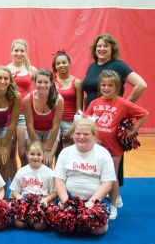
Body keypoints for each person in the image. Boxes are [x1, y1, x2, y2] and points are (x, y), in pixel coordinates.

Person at [82, 34, 147, 204]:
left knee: (112, 161)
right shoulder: (92, 66)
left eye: (105, 46)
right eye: (98, 46)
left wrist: (124, 107)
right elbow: (88, 92)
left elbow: (141, 84)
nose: (101, 49)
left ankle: (114, 197)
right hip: (93, 118)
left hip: (111, 119)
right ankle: (98, 194)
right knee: (95, 159)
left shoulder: (118, 65)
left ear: (113, 49)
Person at [85, 70, 148, 220]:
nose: (106, 88)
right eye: (103, 85)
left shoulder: (123, 103)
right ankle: (95, 201)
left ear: (117, 87)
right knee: (94, 175)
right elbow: (86, 119)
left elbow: (144, 113)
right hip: (95, 148)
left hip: (113, 149)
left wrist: (131, 131)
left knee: (111, 177)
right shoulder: (94, 102)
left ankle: (113, 206)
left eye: (110, 85)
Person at [54, 118, 116, 235]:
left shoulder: (103, 154)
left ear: (93, 135)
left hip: (94, 200)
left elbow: (107, 183)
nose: (81, 137)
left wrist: (91, 202)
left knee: (98, 230)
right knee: (61, 226)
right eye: (77, 133)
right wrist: (66, 201)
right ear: (73, 134)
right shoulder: (65, 152)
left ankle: (85, 222)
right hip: (70, 199)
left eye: (86, 134)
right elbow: (59, 180)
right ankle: (80, 222)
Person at [10, 141, 57, 230]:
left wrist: (46, 199)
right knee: (19, 225)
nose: (35, 157)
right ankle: (29, 219)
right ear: (27, 154)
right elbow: (14, 190)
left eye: (39, 154)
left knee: (39, 227)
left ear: (43, 155)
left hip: (41, 202)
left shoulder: (49, 172)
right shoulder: (22, 171)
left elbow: (55, 193)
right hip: (25, 201)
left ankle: (34, 220)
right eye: (32, 154)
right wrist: (20, 198)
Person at [23, 68, 64, 167]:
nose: (42, 85)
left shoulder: (59, 100)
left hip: (51, 131)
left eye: (46, 82)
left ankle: (49, 181)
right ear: (35, 82)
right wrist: (36, 147)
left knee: (47, 161)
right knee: (34, 159)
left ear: (51, 83)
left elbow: (56, 125)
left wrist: (48, 148)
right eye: (39, 82)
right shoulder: (28, 98)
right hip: (34, 130)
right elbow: (29, 124)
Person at [6, 39, 37, 166]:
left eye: (22, 51)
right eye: (16, 50)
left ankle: (26, 181)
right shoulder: (6, 69)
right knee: (10, 151)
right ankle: (12, 183)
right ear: (11, 52)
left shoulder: (32, 70)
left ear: (26, 52)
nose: (19, 53)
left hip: (24, 114)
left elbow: (39, 90)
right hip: (8, 114)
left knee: (23, 152)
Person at [52, 50, 82, 149]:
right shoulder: (52, 82)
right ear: (55, 66)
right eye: (58, 63)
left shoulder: (77, 82)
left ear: (69, 63)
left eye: (64, 62)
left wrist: (73, 128)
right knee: (54, 154)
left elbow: (79, 109)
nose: (61, 65)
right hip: (54, 122)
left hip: (70, 123)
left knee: (67, 154)